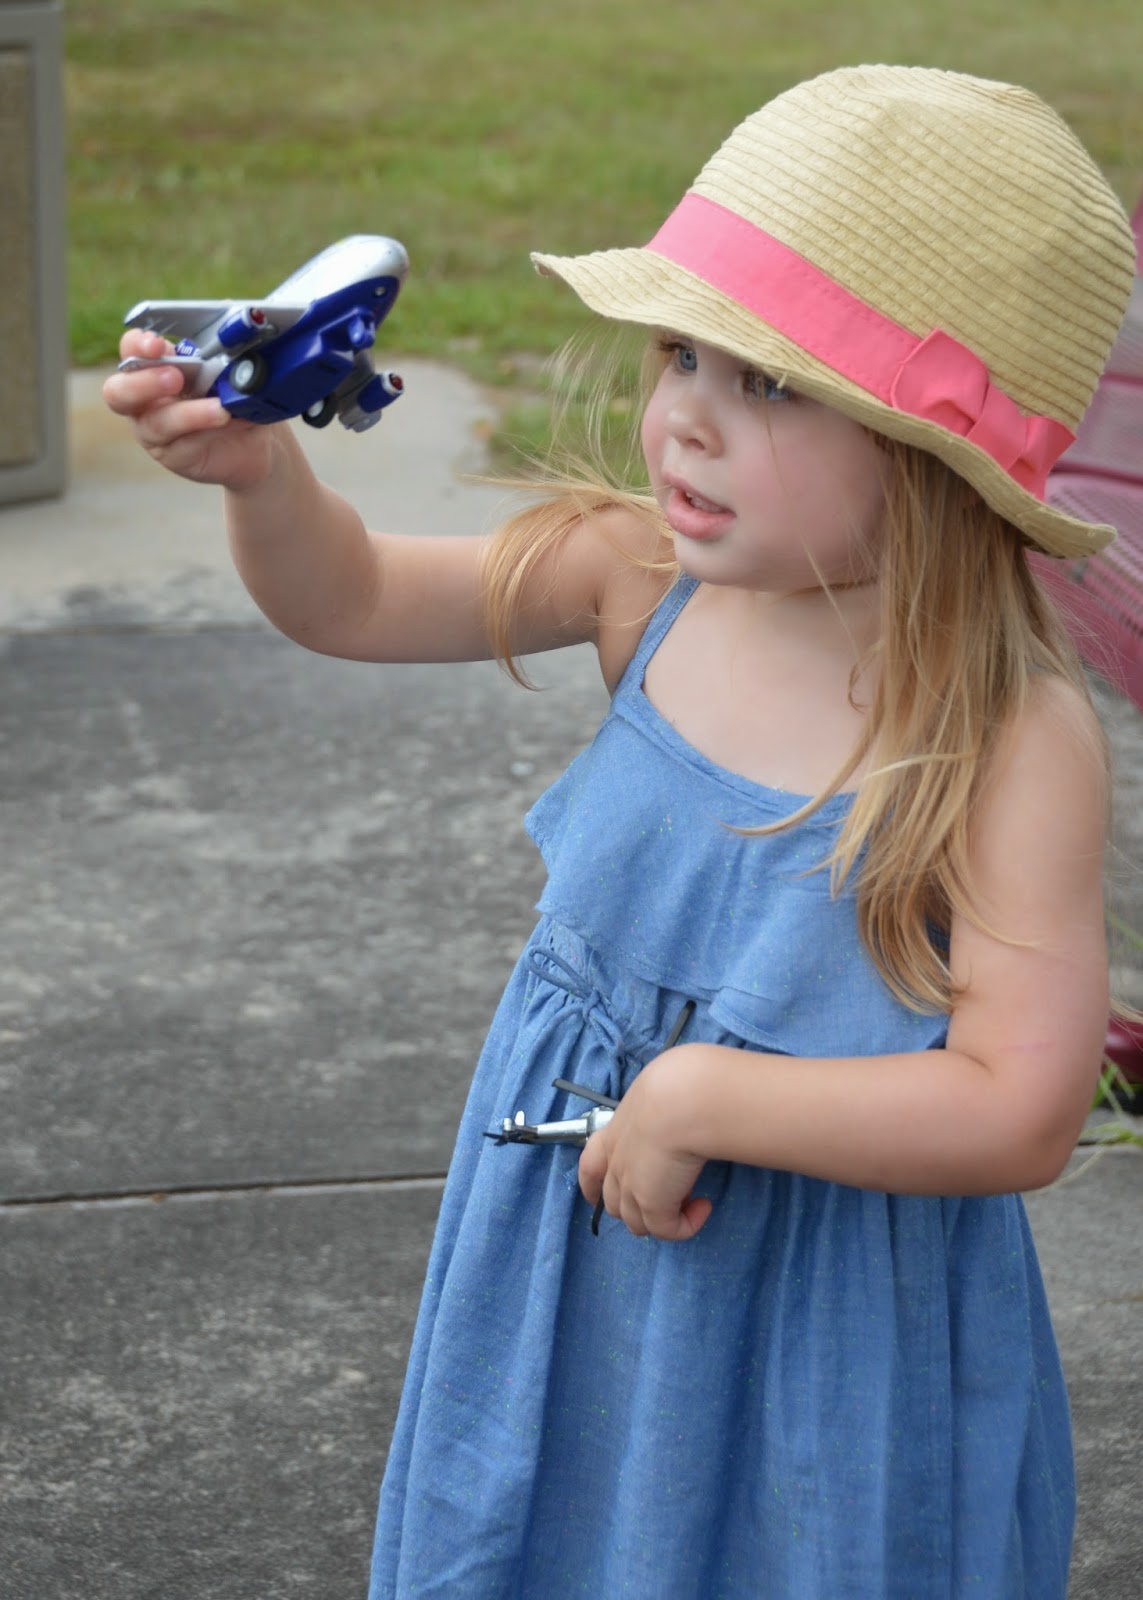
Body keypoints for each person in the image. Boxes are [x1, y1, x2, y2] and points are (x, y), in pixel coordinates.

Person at [104, 63, 1136, 1600]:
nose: (683, 422)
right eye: (680, 355)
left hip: (826, 1325)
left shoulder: (1004, 737)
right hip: (575, 1267)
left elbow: (1020, 1110)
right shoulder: (635, 577)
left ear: (936, 458)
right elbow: (353, 596)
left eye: (768, 385)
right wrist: (263, 477)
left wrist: (709, 1091)